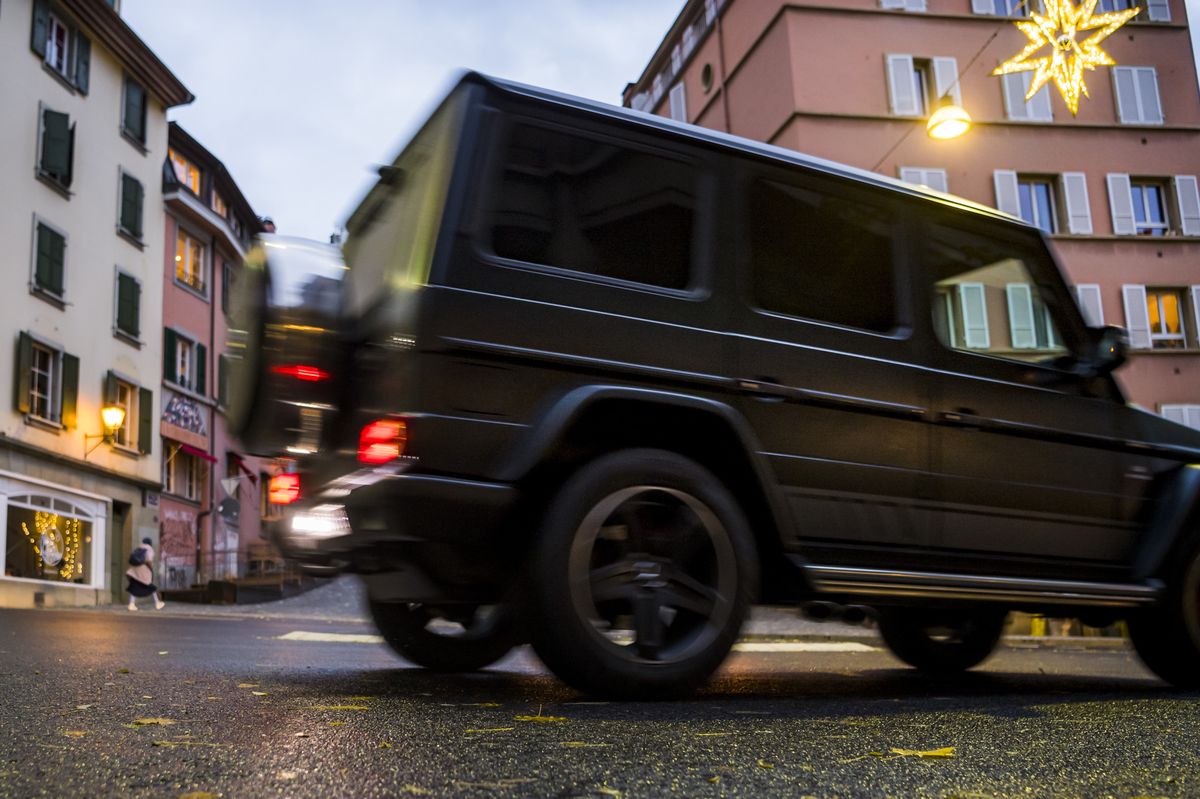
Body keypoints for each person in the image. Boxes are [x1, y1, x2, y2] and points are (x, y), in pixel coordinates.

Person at [126, 537, 164, 611]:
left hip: (134, 570)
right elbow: (149, 560)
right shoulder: (149, 549)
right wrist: (150, 568)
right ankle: (157, 603)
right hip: (143, 570)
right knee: (150, 586)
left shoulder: (138, 549)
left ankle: (131, 604)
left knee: (134, 587)